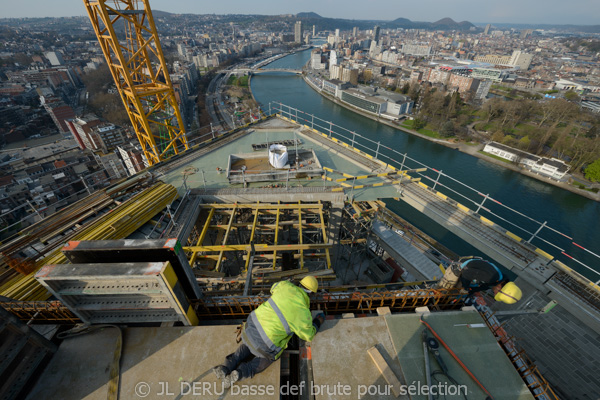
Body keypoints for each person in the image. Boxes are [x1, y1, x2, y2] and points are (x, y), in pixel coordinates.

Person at [213, 276, 325, 387]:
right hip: (266, 345)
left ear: (300, 284)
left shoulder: (285, 286)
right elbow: (309, 335)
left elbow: (273, 288)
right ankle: (240, 373)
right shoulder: (303, 313)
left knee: (247, 344)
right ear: (311, 294)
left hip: (250, 327)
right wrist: (317, 321)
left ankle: (226, 366)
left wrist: (288, 283)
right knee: (263, 361)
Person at [438, 257, 522, 304]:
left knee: (459, 292)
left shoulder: (497, 281)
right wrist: (465, 288)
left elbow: (481, 287)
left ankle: (449, 298)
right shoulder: (491, 277)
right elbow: (467, 274)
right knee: (443, 290)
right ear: (500, 287)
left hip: (468, 273)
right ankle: (436, 296)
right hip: (459, 269)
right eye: (496, 293)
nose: (494, 293)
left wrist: (468, 292)